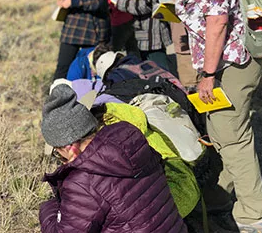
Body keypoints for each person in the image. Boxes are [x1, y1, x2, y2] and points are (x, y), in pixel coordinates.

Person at [143, 0, 262, 232]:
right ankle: (219, 195)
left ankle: (253, 215)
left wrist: (208, 75)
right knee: (219, 129)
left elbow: (217, 22)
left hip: (231, 64)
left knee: (233, 137)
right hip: (233, 59)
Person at [39, 84, 187, 232]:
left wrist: (48, 208)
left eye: (57, 151)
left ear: (69, 146)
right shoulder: (131, 139)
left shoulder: (82, 181)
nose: (60, 157)